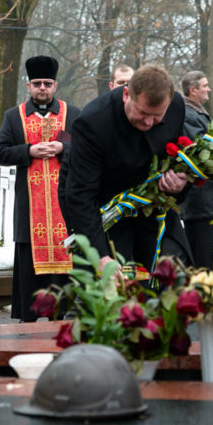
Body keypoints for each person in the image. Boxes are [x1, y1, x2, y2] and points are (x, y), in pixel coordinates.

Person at [60, 64, 192, 275]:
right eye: (143, 113)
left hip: (151, 205)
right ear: (126, 94)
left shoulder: (176, 105)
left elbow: (181, 153)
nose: (149, 122)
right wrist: (100, 255)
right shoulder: (92, 122)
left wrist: (181, 181)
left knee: (168, 275)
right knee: (108, 285)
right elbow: (80, 196)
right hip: (102, 207)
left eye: (158, 116)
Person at [0, 55, 80, 322]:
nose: (42, 88)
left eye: (47, 83)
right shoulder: (13, 116)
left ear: (55, 86)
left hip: (64, 206)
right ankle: (29, 315)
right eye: (36, 83)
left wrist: (62, 148)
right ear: (28, 85)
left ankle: (63, 314)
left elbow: (86, 150)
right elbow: (0, 152)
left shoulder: (72, 114)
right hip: (29, 207)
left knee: (66, 255)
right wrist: (29, 150)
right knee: (28, 259)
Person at [178, 71, 213, 268]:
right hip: (198, 198)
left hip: (201, 198)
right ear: (193, 90)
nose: (209, 89)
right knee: (201, 253)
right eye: (205, 86)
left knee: (203, 248)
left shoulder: (195, 112)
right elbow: (202, 154)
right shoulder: (190, 115)